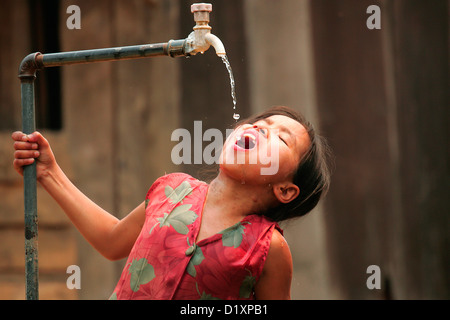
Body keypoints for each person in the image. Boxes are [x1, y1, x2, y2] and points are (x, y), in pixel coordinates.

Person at [12, 105, 331, 300]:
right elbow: (111, 241)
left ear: (286, 191)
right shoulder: (171, 190)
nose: (261, 128)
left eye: (281, 137)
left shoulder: (268, 249)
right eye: (260, 123)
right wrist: (49, 173)